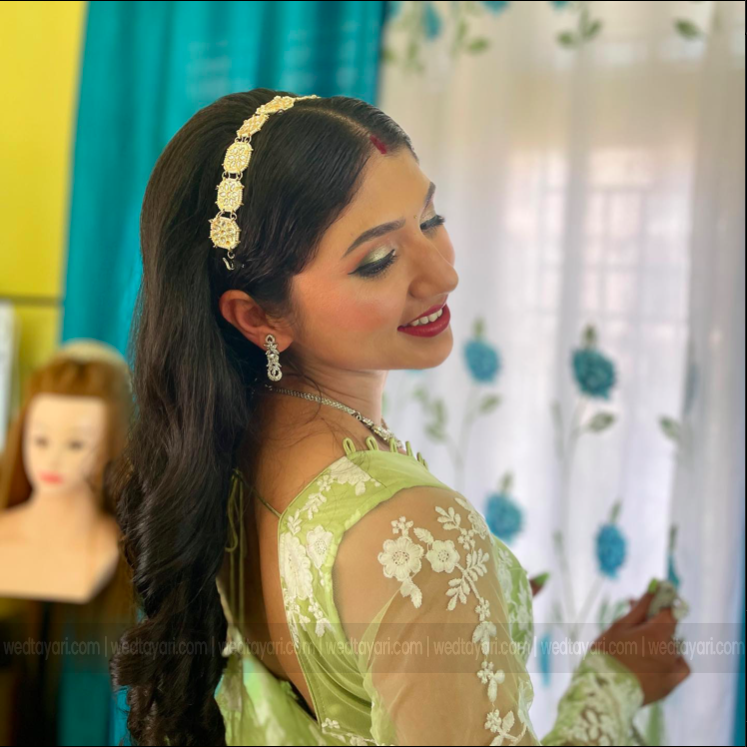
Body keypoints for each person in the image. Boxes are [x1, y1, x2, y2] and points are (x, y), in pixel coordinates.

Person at [108, 89, 690, 746]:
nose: (441, 275)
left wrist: (456, 612)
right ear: (258, 315)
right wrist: (614, 683)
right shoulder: (406, 528)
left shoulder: (228, 450)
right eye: (378, 260)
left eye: (430, 219)